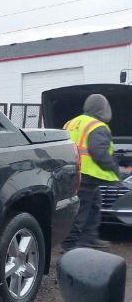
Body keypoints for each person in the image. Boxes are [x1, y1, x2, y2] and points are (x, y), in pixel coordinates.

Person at [61, 93, 121, 252]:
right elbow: (99, 151)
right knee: (80, 211)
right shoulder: (97, 126)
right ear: (103, 109)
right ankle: (69, 245)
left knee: (93, 206)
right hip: (86, 176)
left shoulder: (71, 123)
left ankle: (89, 238)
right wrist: (114, 167)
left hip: (70, 172)